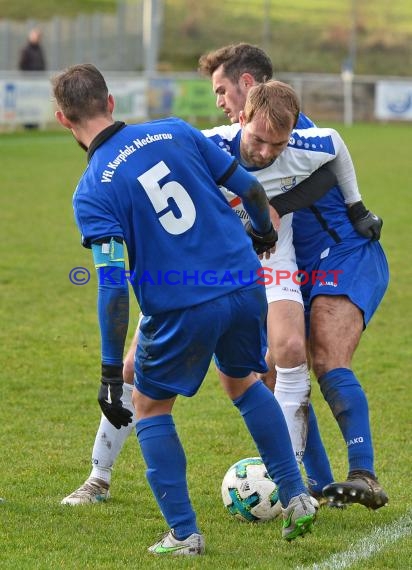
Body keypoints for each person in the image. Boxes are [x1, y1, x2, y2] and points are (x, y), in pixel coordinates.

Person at [53, 63, 316, 553]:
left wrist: (112, 370)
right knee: (243, 384)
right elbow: (254, 191)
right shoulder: (174, 130)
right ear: (110, 103)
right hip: (243, 285)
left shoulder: (91, 190)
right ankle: (297, 495)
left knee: (150, 407)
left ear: (63, 120)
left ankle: (183, 533)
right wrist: (261, 232)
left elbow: (111, 287)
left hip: (182, 303)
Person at [199, 43, 389, 510]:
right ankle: (322, 484)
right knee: (275, 368)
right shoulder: (235, 138)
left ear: (249, 88)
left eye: (223, 90)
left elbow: (332, 154)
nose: (219, 101)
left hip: (343, 252)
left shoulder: (292, 133)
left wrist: (356, 208)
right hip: (294, 261)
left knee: (325, 357)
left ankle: (363, 474)